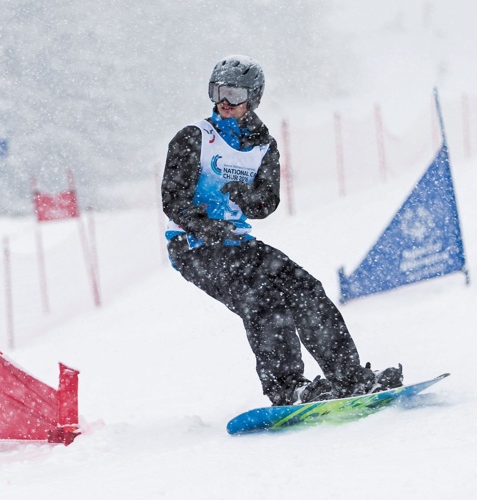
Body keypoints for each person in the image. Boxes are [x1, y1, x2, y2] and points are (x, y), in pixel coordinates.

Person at [161, 55, 403, 406]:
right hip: (194, 246)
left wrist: (246, 195)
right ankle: (288, 389)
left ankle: (350, 379)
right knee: (261, 298)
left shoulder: (263, 145)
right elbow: (173, 200)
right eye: (217, 91)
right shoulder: (193, 138)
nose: (223, 102)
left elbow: (266, 205)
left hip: (238, 243)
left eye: (233, 93)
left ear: (253, 98)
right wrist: (208, 227)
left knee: (305, 288)